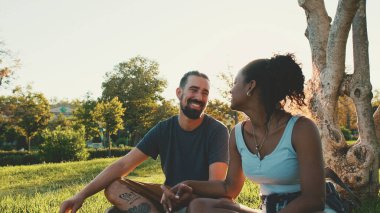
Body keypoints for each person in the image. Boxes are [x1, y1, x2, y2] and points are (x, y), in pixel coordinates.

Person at [162, 54, 335, 212]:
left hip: (304, 209)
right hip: (269, 208)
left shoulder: (301, 128)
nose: (230, 90)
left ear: (250, 86)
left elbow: (314, 199)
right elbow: (229, 188)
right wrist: (185, 184)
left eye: (235, 83)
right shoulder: (238, 134)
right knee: (199, 206)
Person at [59, 71, 229, 213]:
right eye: (194, 90)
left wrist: (187, 192)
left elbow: (216, 186)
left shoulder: (217, 131)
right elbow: (124, 164)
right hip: (166, 196)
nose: (199, 97)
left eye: (205, 93)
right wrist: (80, 195)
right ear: (179, 93)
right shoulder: (164, 129)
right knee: (114, 187)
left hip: (199, 202)